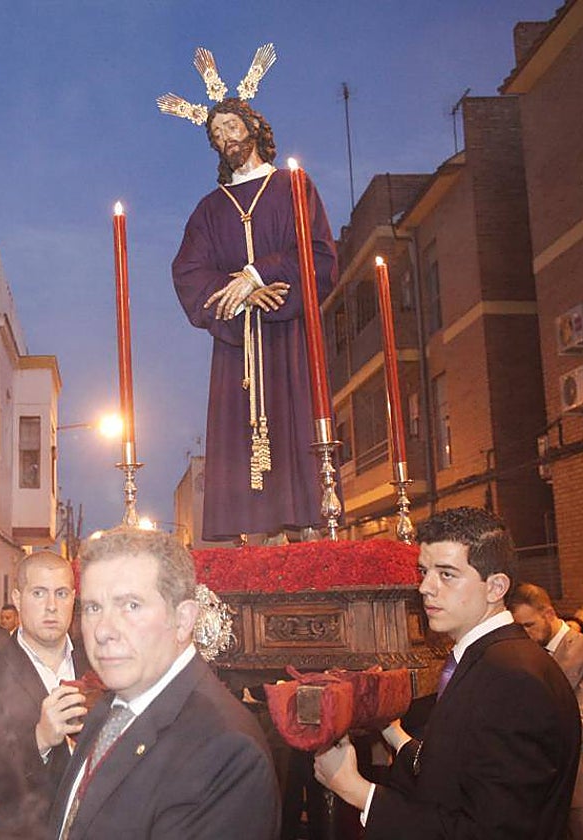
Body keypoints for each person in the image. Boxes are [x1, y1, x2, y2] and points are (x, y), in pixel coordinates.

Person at [315, 507, 581, 838]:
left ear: (495, 587)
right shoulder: (489, 658)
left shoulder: (512, 678)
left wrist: (357, 791)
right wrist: (393, 733)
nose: (426, 587)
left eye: (447, 574)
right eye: (424, 571)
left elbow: (494, 831)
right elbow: (464, 768)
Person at [167, 70, 337, 541]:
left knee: (295, 424)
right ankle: (251, 537)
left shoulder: (292, 188)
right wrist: (241, 298)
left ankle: (306, 532)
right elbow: (188, 273)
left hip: (290, 341)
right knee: (239, 435)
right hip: (236, 349)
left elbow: (318, 256)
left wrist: (258, 274)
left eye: (232, 127)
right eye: (216, 134)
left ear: (254, 129)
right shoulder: (208, 210)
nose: (225, 138)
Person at [49, 526, 278, 839]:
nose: (103, 630)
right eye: (93, 607)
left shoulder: (227, 752)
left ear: (183, 620)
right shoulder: (108, 710)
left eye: (131, 605)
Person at [0, 551, 90, 839]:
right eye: (39, 593)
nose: (52, 606)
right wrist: (40, 738)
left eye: (61, 593)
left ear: (73, 598)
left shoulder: (100, 666)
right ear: (18, 599)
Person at [509, 581, 583, 838]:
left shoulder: (581, 648)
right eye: (520, 628)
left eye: (529, 625)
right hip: (545, 786)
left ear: (549, 614)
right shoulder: (528, 656)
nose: (525, 633)